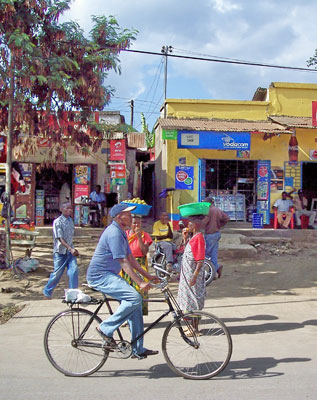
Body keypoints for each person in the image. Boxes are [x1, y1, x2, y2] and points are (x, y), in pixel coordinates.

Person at [86, 203, 159, 358]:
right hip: (100, 276)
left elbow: (131, 258)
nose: (132, 217)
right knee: (134, 298)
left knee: (136, 305)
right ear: (120, 217)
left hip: (110, 274)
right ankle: (105, 328)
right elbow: (123, 262)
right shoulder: (113, 233)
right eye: (129, 214)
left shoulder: (121, 232)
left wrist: (148, 276)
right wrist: (140, 283)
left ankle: (137, 348)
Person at [177, 214, 206, 336]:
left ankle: (195, 329)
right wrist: (184, 240)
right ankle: (191, 327)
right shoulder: (193, 238)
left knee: (194, 301)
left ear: (195, 225)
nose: (187, 226)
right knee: (189, 302)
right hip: (187, 275)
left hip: (192, 276)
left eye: (190, 224)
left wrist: (195, 276)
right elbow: (186, 252)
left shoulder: (199, 238)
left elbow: (200, 260)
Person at [43, 203, 79, 299]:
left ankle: (72, 293)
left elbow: (70, 237)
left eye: (71, 208)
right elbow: (60, 239)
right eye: (67, 208)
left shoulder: (70, 221)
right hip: (60, 252)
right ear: (61, 209)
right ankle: (47, 292)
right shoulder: (57, 222)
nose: (70, 210)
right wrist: (70, 248)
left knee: (74, 271)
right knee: (57, 274)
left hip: (70, 251)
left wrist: (73, 249)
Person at [120, 215, 153, 315]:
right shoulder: (124, 235)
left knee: (140, 289)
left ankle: (138, 314)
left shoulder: (145, 235)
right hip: (127, 263)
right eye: (134, 223)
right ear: (130, 224)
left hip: (140, 263)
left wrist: (139, 237)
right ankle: (126, 315)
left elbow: (144, 252)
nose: (136, 225)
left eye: (138, 223)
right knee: (126, 289)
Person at [202, 197, 229, 278]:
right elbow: (227, 218)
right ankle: (214, 271)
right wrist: (219, 225)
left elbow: (204, 222)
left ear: (208, 203)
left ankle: (209, 272)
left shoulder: (208, 211)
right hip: (217, 233)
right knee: (213, 254)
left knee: (206, 255)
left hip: (210, 234)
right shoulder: (218, 210)